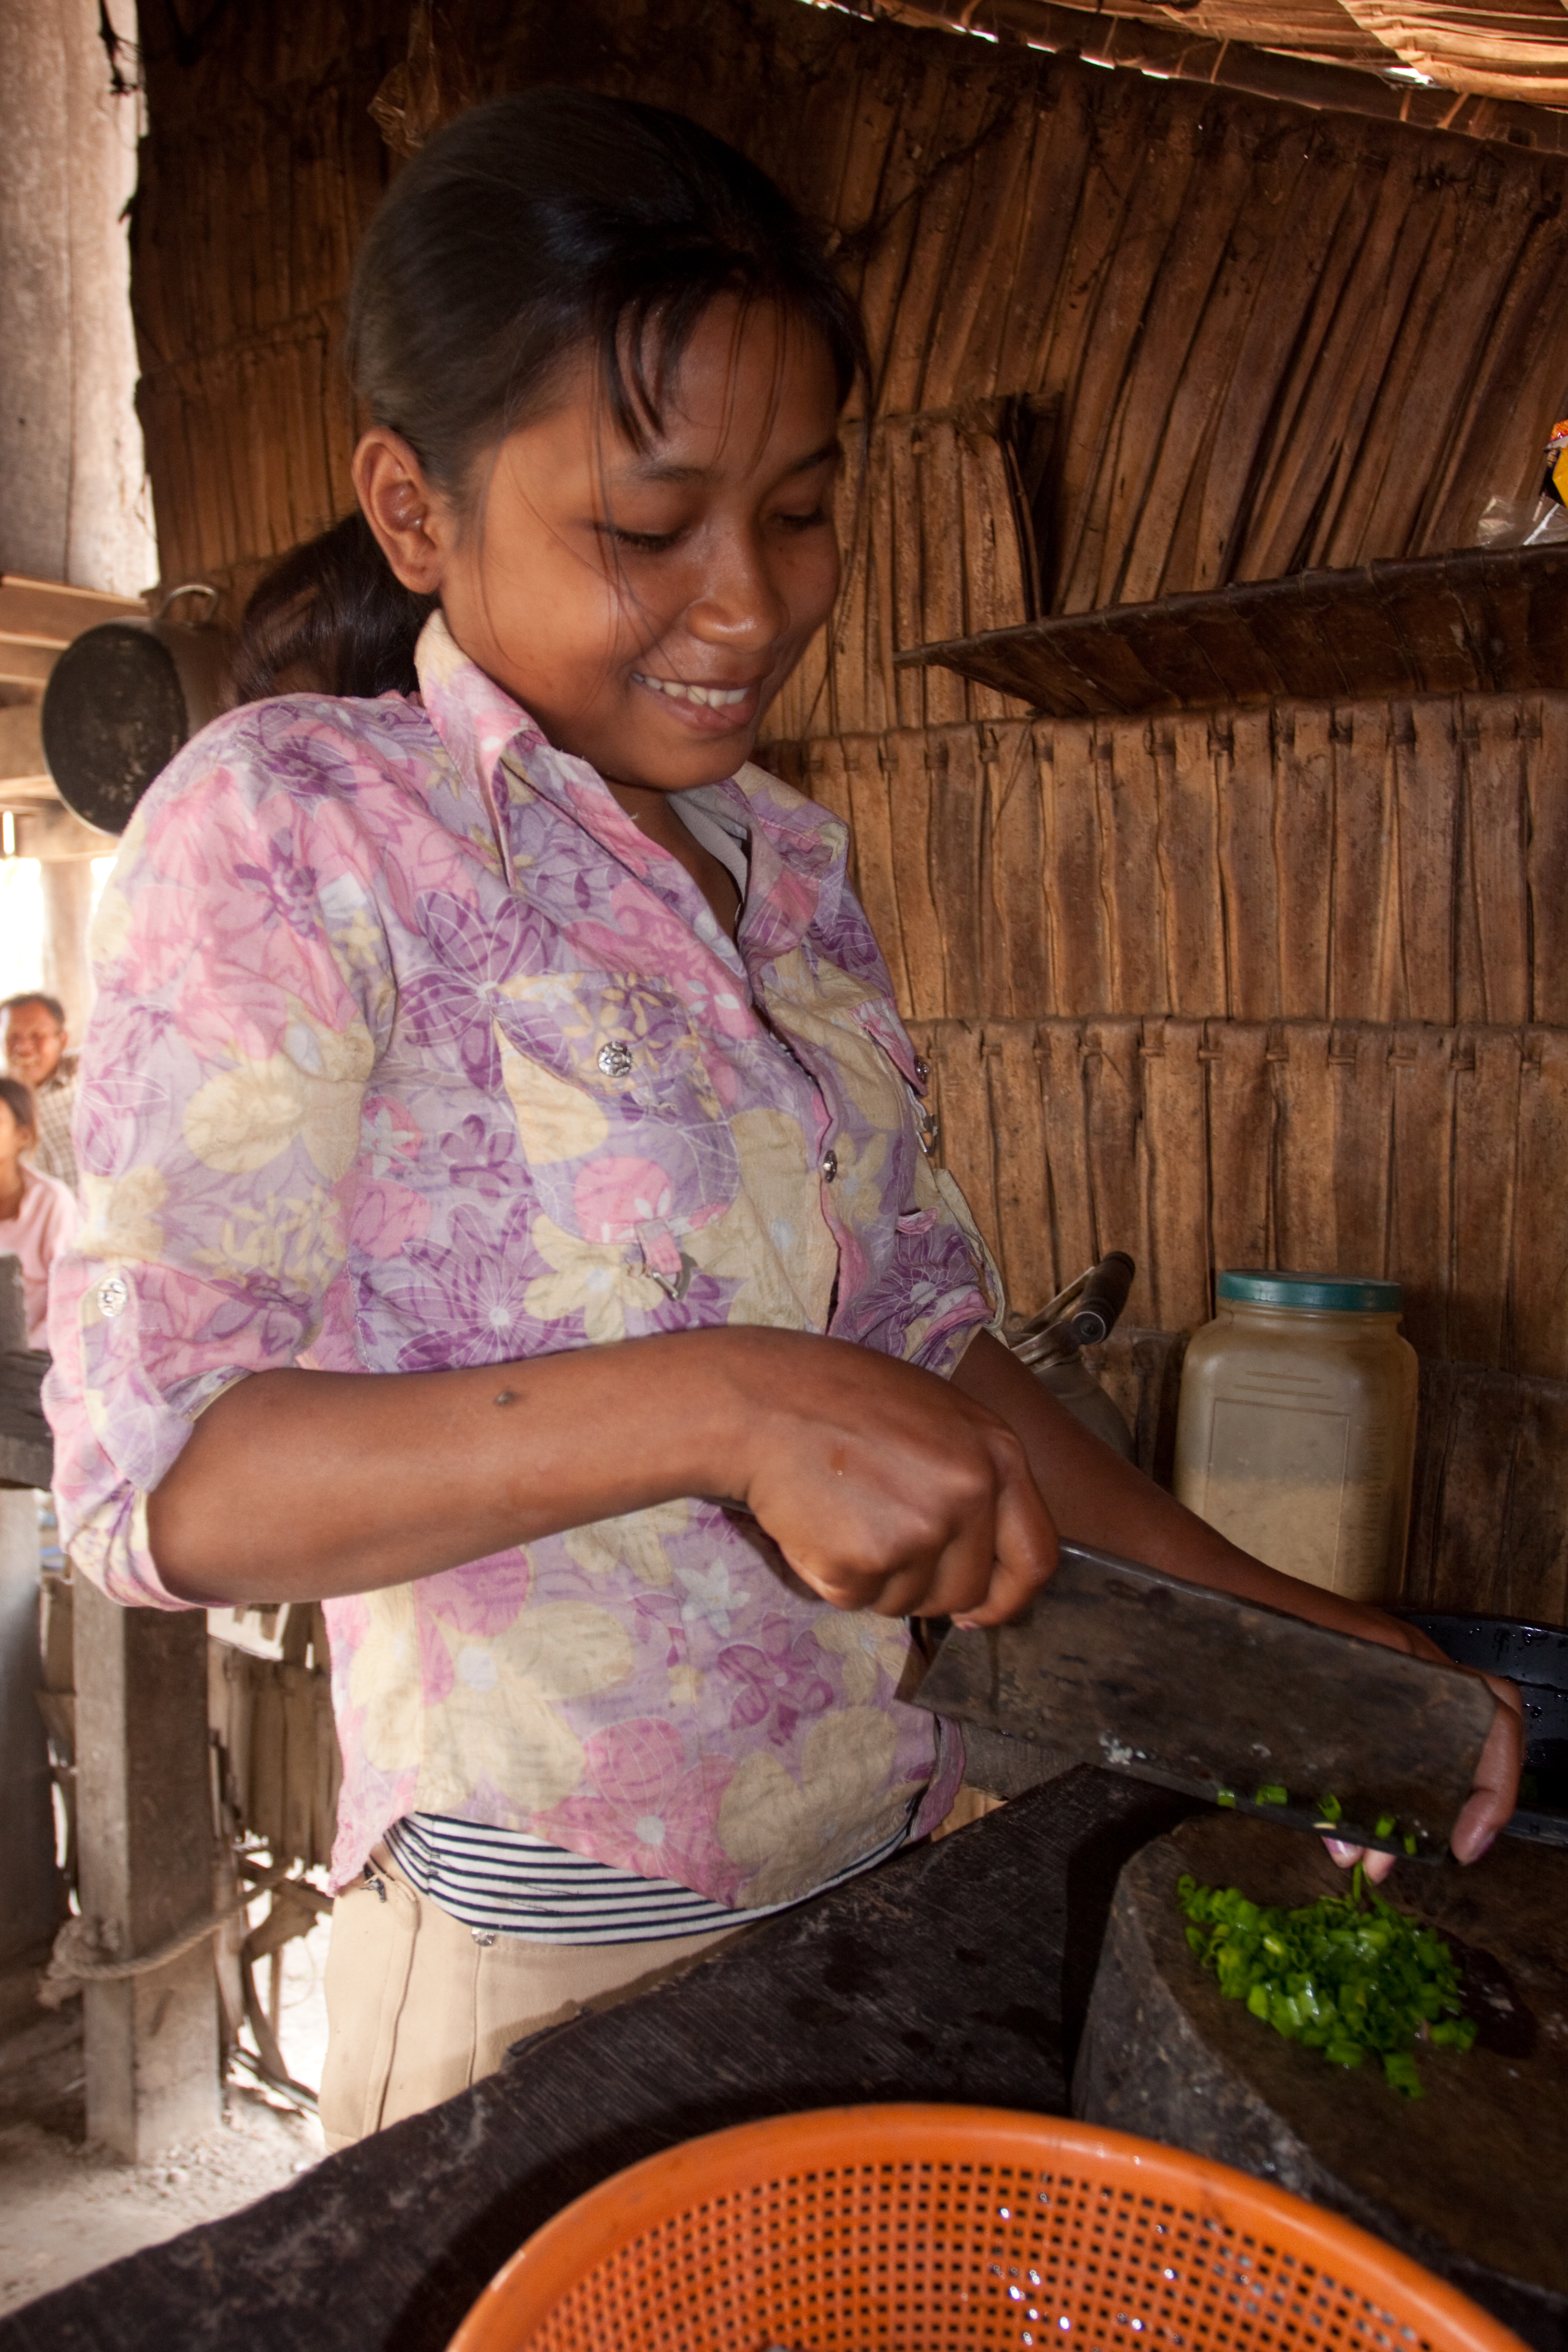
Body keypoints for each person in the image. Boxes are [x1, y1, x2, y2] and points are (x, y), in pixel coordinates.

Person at [42, 92, 1520, 2151]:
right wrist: (730, 1404)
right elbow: (161, 1487)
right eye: (647, 532)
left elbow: (928, 1353)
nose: (750, 604)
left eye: (803, 509)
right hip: (544, 1964)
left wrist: (1287, 1650)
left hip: (894, 1860)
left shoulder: (790, 867)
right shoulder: (298, 832)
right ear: (415, 511)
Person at [0, 1078, 76, 1350]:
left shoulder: (53, 1203)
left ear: (23, 1136)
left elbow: (71, 1301)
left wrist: (24, 1353)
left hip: (39, 1360)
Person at [2, 993, 78, 1193]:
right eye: (13, 1037)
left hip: (106, 1218)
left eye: (37, 1036)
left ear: (62, 1041)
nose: (24, 1048)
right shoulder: (3, 1099)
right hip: (39, 1222)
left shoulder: (92, 1075)